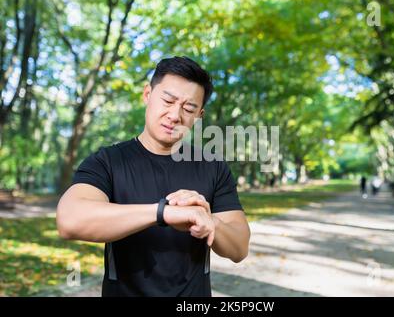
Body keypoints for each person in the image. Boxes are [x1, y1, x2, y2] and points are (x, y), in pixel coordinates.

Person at [56, 56, 250, 297]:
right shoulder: (107, 162)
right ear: (147, 94)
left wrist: (212, 222)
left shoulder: (213, 167)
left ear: (199, 115)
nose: (174, 115)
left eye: (188, 108)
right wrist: (164, 212)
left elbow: (240, 247)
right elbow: (69, 221)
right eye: (167, 100)